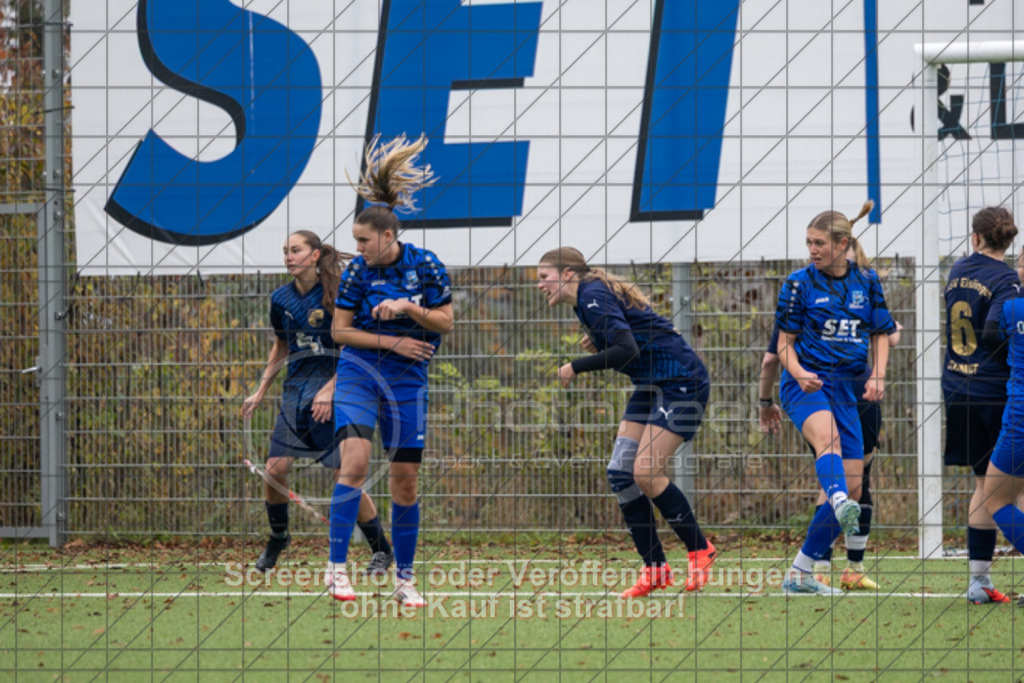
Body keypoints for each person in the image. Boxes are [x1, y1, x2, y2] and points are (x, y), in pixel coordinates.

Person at [537, 246, 717, 597]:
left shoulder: (591, 296)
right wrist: (600, 339)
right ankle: (655, 569)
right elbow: (628, 335)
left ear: (568, 274)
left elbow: (627, 350)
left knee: (645, 473)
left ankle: (700, 550)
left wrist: (576, 366)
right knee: (621, 474)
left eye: (545, 277)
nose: (540, 285)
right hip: (652, 385)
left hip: (680, 381)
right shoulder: (587, 299)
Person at [325, 135, 453, 607]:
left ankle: (405, 579)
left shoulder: (427, 266)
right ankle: (336, 569)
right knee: (354, 464)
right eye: (355, 240)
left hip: (406, 380)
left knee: (404, 479)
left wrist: (407, 310)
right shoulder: (358, 273)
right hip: (359, 372)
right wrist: (391, 339)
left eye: (363, 241)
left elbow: (445, 322)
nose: (357, 249)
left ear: (387, 237)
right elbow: (340, 332)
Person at [241, 231, 394, 576]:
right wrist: (261, 390)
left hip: (340, 395)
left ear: (314, 256)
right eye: (285, 251)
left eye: (295, 250)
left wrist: (330, 390)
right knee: (275, 470)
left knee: (345, 476)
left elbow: (357, 348)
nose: (288, 257)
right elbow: (281, 346)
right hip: (295, 395)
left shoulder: (339, 295)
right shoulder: (280, 299)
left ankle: (381, 548)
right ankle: (279, 538)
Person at [774, 200, 896, 595]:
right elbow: (783, 346)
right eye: (809, 242)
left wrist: (877, 375)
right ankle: (839, 497)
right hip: (805, 384)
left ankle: (800, 572)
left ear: (843, 244)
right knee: (829, 443)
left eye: (819, 243)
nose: (812, 249)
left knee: (858, 486)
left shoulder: (867, 281)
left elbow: (881, 333)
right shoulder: (797, 283)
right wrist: (798, 372)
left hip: (846, 387)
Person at [759, 320, 901, 591]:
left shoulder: (851, 295)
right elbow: (889, 337)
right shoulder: (806, 297)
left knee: (848, 482)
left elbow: (769, 360)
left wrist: (764, 401)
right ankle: (833, 567)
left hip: (850, 390)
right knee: (842, 475)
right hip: (828, 389)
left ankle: (817, 568)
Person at [942, 206, 1020, 604]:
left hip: (957, 387)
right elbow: (993, 331)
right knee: (1011, 492)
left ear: (975, 238)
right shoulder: (1006, 280)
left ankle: (979, 581)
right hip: (994, 393)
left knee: (983, 486)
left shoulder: (957, 270)